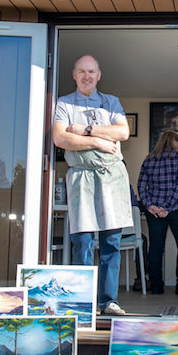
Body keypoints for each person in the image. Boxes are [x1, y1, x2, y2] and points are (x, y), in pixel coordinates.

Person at [53, 55, 132, 316]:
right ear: (74, 76)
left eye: (91, 72)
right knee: (83, 242)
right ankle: (83, 303)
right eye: (82, 72)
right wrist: (98, 141)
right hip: (81, 177)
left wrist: (84, 130)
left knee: (111, 242)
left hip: (112, 178)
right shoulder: (63, 103)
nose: (87, 76)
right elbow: (61, 139)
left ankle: (108, 302)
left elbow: (122, 133)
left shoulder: (111, 102)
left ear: (99, 75)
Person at [137, 130, 178, 296]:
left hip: (154, 211)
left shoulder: (148, 159)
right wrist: (166, 207)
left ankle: (157, 286)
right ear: (173, 142)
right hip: (177, 208)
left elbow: (141, 186)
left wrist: (150, 205)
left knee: (156, 248)